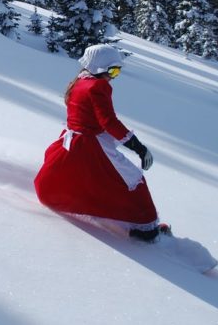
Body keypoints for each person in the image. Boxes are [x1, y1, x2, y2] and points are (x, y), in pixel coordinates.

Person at [34, 43, 166, 241]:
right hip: (91, 145)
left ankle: (129, 221)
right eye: (112, 70)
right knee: (132, 179)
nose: (113, 76)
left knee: (93, 180)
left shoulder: (79, 81)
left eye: (117, 71)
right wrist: (138, 147)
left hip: (71, 143)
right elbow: (109, 121)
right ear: (98, 67)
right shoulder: (98, 85)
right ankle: (145, 229)